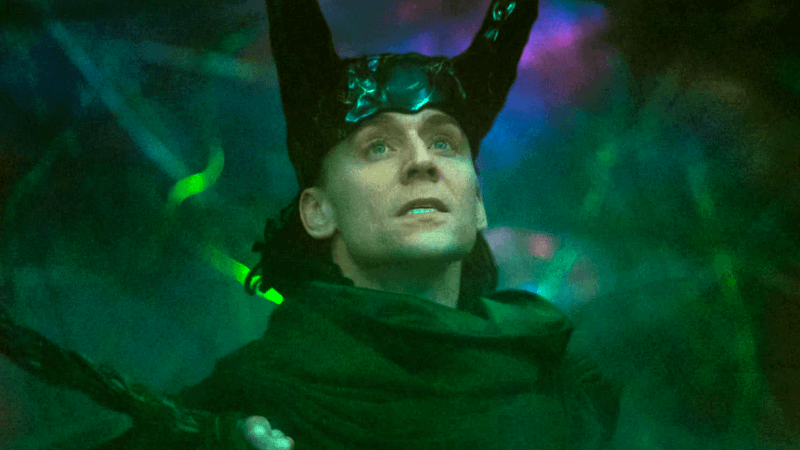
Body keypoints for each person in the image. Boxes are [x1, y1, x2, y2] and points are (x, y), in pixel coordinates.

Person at [2, 0, 621, 448]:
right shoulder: (248, 407)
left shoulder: (564, 386)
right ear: (317, 211)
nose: (423, 162)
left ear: (478, 205)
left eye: (445, 142)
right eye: (378, 146)